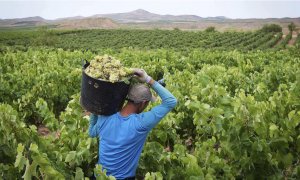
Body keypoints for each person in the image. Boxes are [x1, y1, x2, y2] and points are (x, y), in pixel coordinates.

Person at [88, 69, 177, 180]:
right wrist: (148, 79)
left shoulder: (106, 116)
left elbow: (91, 133)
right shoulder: (141, 124)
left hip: (99, 176)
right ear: (144, 103)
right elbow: (171, 101)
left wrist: (94, 111)